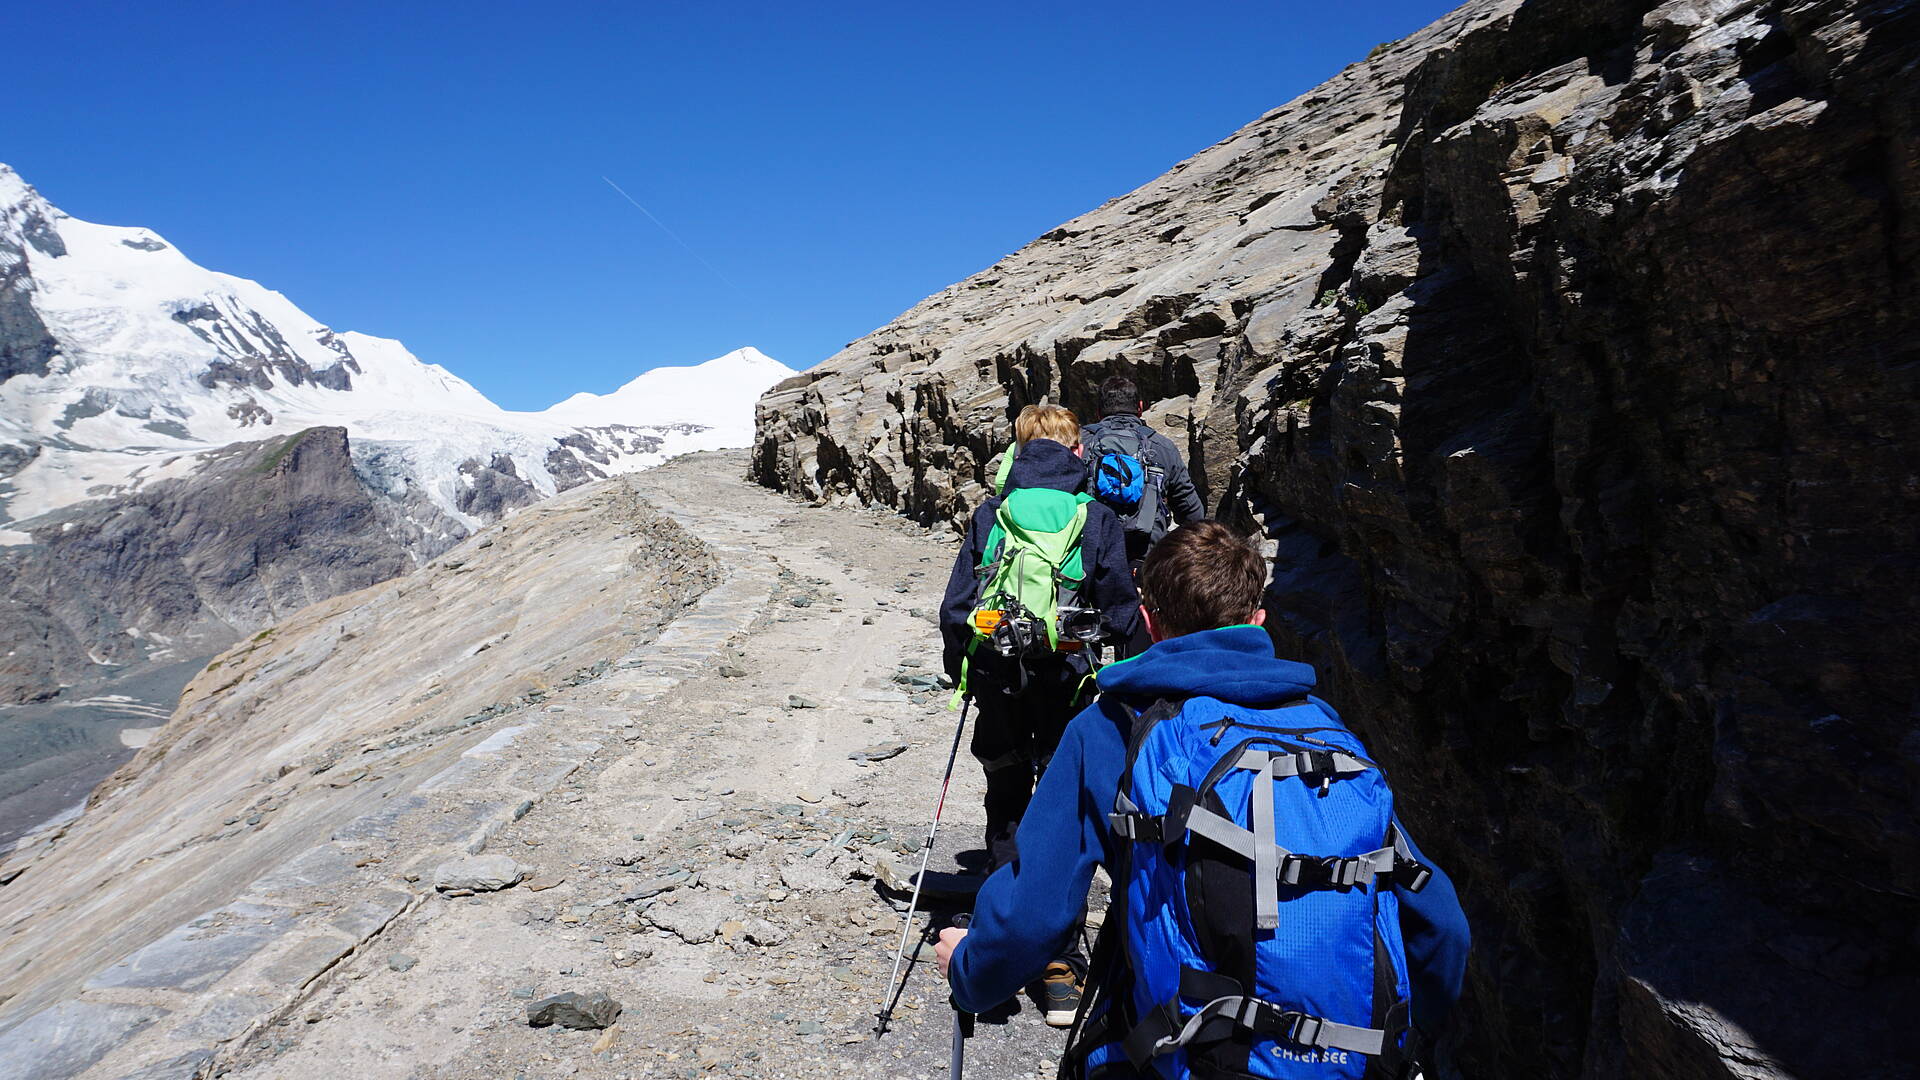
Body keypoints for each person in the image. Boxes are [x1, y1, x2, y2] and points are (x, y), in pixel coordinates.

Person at [938, 521, 1469, 1077]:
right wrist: (1402, 1035)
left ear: (1148, 621)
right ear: (1257, 618)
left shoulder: (1111, 727)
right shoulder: (1322, 731)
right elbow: (1441, 920)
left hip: (1185, 1053)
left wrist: (970, 972)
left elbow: (1032, 914)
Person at [939, 403, 1141, 1025]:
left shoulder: (991, 515)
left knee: (1006, 798)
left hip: (1000, 681)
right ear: (1077, 449)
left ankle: (996, 957)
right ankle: (1060, 969)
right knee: (1064, 818)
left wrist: (963, 670)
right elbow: (1123, 613)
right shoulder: (1094, 516)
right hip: (1069, 685)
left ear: (1018, 450)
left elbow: (956, 609)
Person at [1079, 375, 1208, 567]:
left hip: (1091, 552)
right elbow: (1192, 513)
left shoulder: (1080, 443)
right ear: (1140, 407)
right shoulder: (1163, 447)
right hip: (1148, 555)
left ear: (1099, 412)